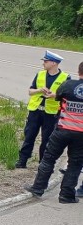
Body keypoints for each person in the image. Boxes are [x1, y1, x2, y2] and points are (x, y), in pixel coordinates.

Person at [24, 61, 83, 204]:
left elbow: (58, 97)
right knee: (75, 164)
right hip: (81, 134)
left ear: (79, 71)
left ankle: (38, 188)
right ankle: (66, 195)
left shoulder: (68, 85)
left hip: (62, 129)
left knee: (49, 158)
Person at [16, 50, 69, 168]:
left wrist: (54, 95)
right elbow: (30, 91)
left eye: (46, 61)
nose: (43, 63)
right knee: (29, 136)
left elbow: (67, 96)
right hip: (35, 111)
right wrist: (40, 90)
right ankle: (22, 161)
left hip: (51, 114)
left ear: (54, 63)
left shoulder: (65, 77)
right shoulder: (40, 74)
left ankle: (43, 164)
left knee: (47, 140)